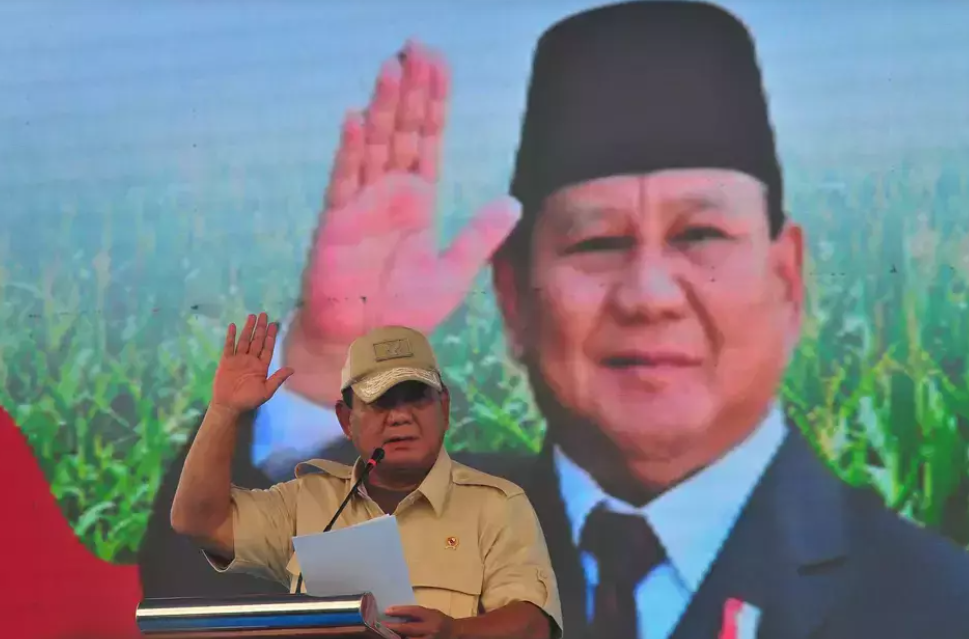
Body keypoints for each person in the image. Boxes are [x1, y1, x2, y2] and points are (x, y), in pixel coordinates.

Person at [146, 2, 969, 637]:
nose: (648, 293)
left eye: (700, 235)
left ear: (787, 279)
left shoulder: (933, 601)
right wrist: (331, 356)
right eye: (597, 241)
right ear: (512, 298)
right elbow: (213, 607)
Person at [169, 315, 562, 639]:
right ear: (346, 420)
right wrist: (224, 411)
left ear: (444, 408)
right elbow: (201, 521)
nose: (401, 416)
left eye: (416, 397)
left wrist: (454, 632)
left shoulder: (495, 505)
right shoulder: (307, 501)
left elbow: (533, 626)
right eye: (382, 401)